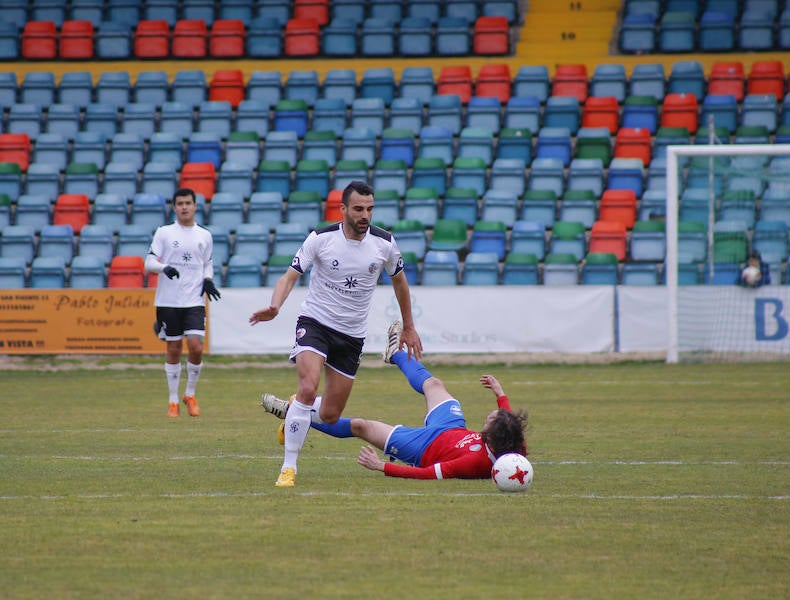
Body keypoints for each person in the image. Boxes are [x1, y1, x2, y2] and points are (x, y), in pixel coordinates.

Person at [249, 181, 423, 487]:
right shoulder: (321, 239)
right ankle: (289, 468)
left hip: (352, 336)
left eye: (370, 208)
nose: (365, 215)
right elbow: (289, 276)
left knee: (329, 415)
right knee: (307, 386)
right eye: (358, 209)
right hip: (315, 322)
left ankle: (295, 410)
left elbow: (400, 283)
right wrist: (275, 306)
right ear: (343, 209)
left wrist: (409, 326)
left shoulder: (384, 244)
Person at [260, 321, 528, 481]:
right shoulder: (514, 442)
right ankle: (395, 354)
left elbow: (428, 474)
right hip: (451, 428)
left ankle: (292, 412)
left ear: (492, 437)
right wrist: (500, 393)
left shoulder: (474, 463)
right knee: (434, 385)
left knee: (361, 426)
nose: (490, 416)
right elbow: (508, 419)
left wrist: (382, 466)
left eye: (491, 420)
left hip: (422, 448)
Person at [144, 188, 221, 418]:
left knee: (196, 347)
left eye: (188, 203)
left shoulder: (204, 235)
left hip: (194, 300)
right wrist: (163, 267)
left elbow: (208, 263)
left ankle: (190, 394)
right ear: (174, 207)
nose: (184, 207)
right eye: (180, 203)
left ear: (196, 206)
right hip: (168, 301)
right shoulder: (164, 233)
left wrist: (208, 279)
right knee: (174, 348)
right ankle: (173, 400)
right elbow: (149, 262)